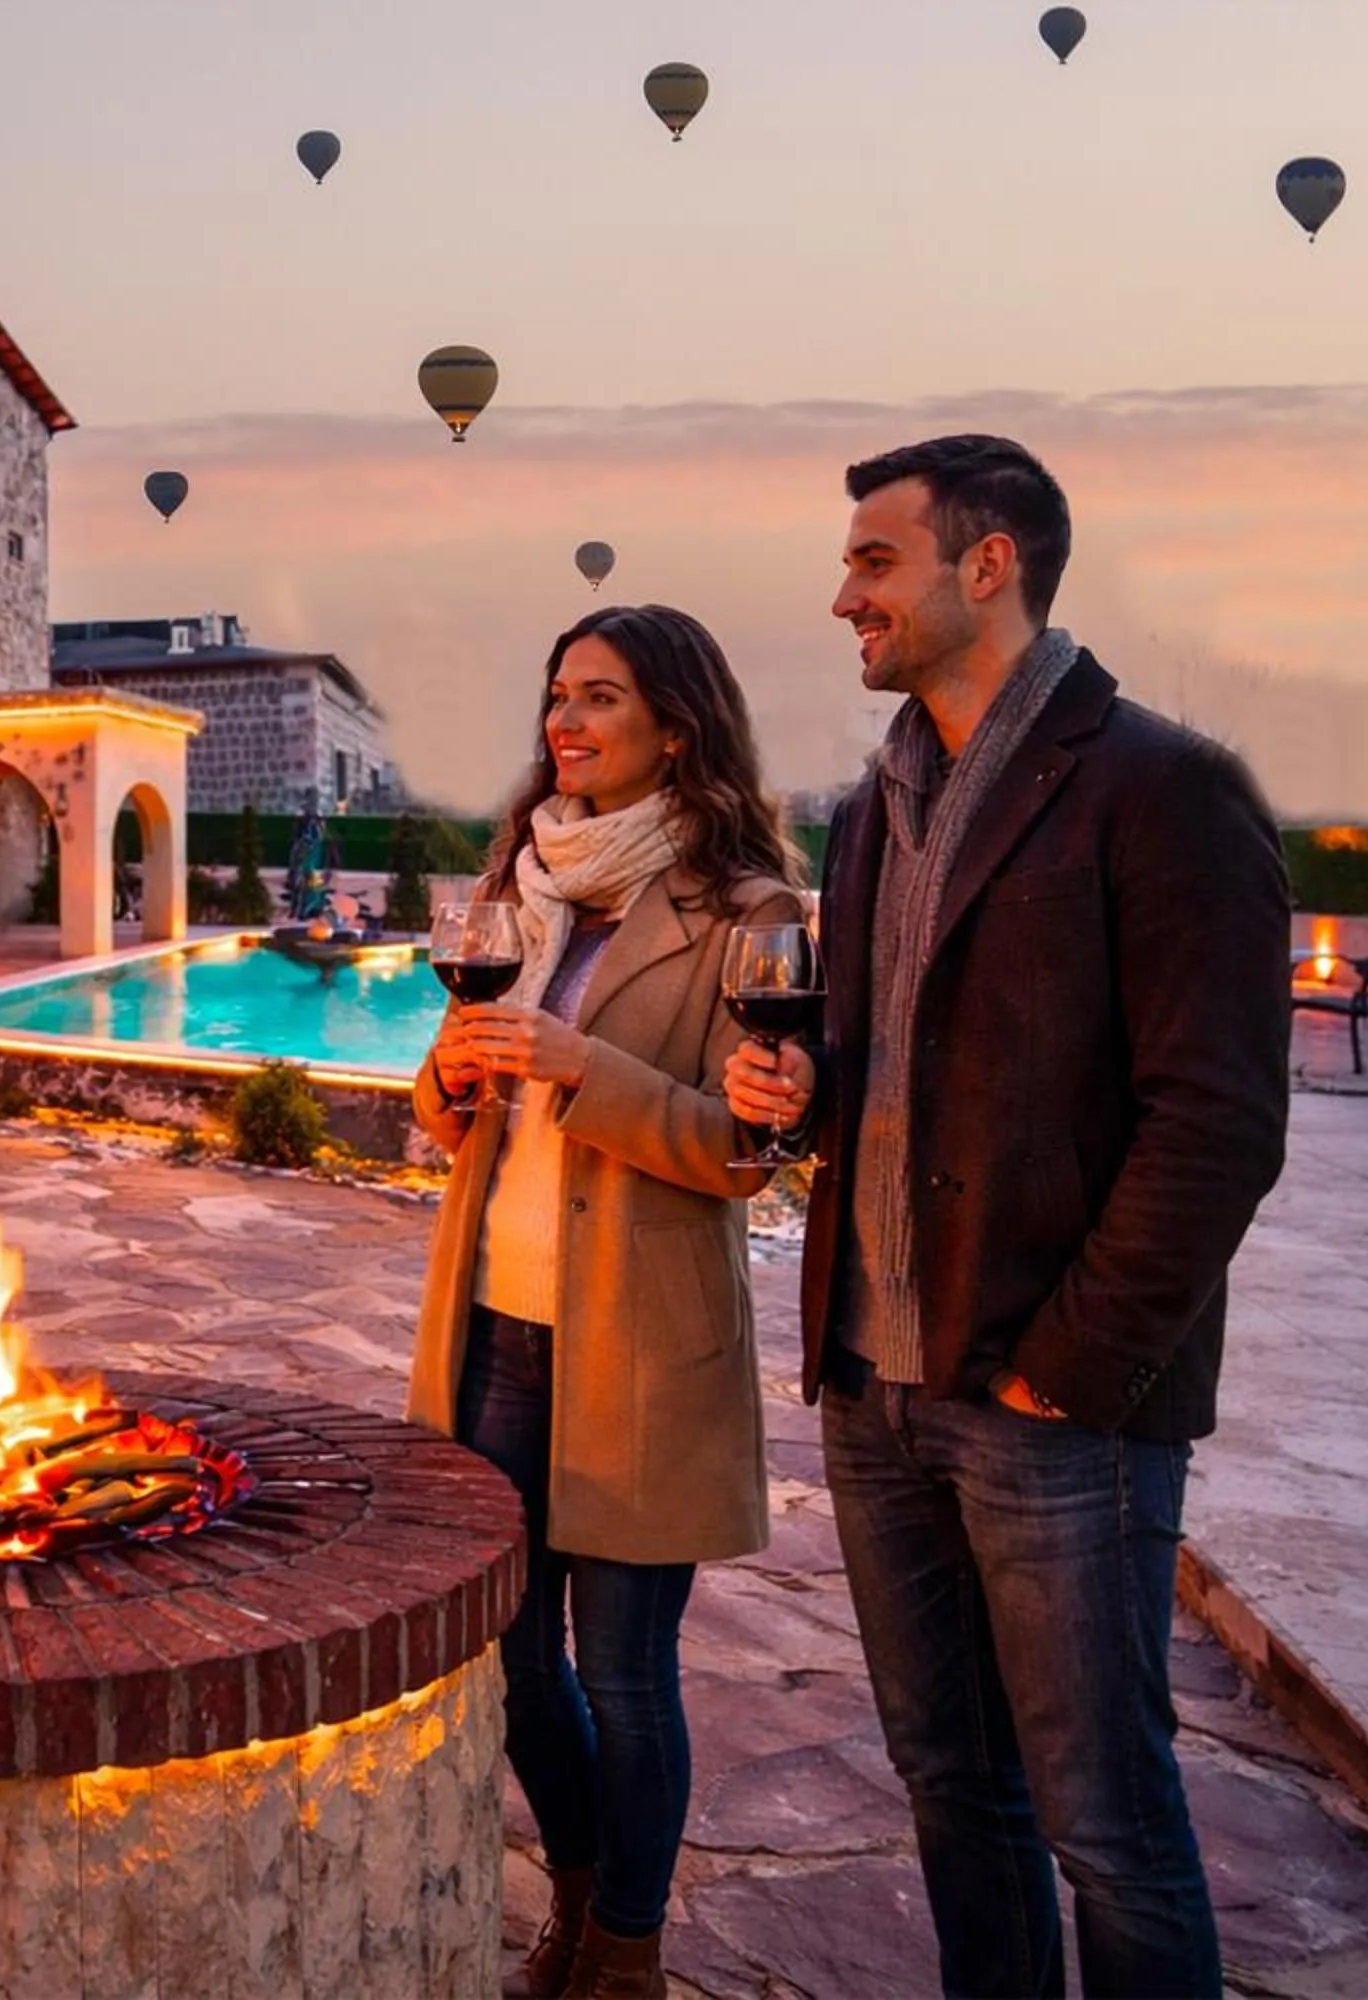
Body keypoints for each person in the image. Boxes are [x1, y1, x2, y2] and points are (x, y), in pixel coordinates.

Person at [722, 435, 1289, 1999]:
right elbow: (898, 1068)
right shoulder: (866, 811)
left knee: (1106, 1827)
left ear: (989, 567)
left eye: (873, 560)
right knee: (953, 1799)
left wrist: (1068, 1373)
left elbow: (1221, 1122)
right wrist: (800, 1093)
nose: (844, 595)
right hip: (874, 1388)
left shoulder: (1167, 789)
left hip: (1052, 1410)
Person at [408, 603, 805, 1999]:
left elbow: (739, 1151)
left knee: (627, 1675)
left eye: (600, 700)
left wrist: (581, 1068)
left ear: (675, 728)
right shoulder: (524, 886)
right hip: (496, 1330)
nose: (564, 724)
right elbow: (456, 1106)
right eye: (556, 696)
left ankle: (624, 1954)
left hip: (637, 1342)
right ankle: (580, 1898)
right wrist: (448, 1087)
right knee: (510, 1660)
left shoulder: (748, 917)